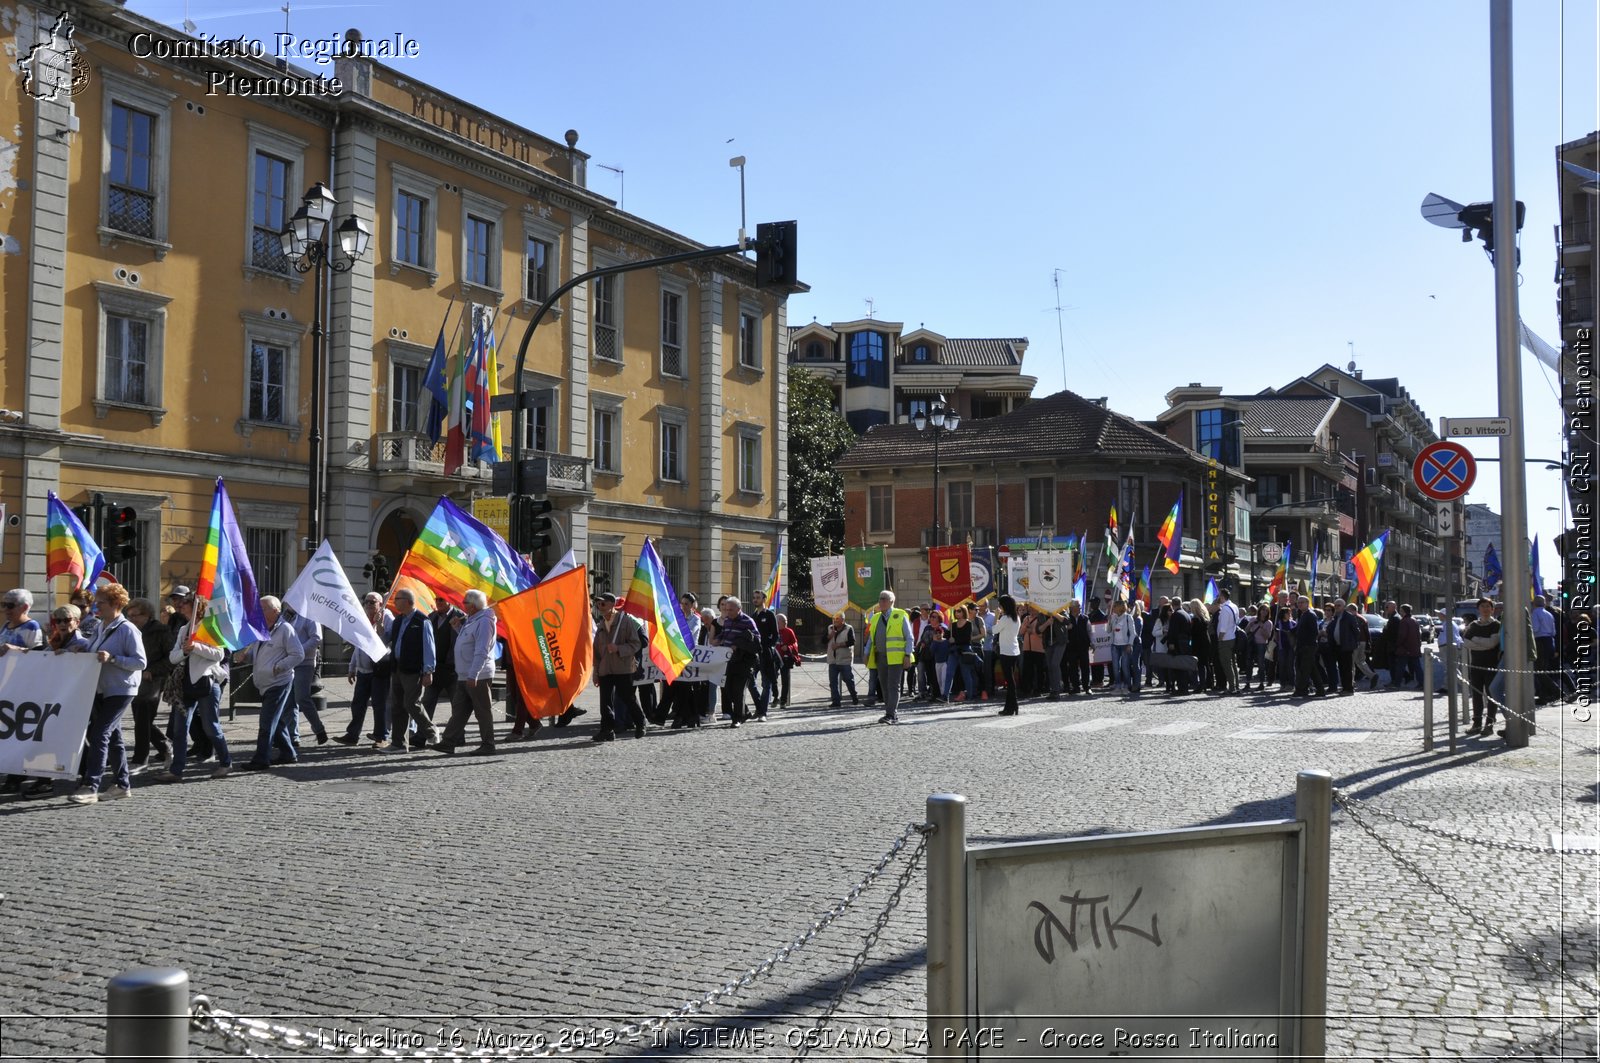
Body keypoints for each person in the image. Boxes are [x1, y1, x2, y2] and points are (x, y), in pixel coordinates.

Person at [66, 583, 147, 804]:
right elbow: (95, 650)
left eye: (100, 603)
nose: (96, 607)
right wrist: (81, 648)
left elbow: (140, 662)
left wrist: (112, 658)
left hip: (121, 689)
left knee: (99, 734)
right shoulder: (102, 626)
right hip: (102, 688)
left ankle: (91, 785)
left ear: (114, 604)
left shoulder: (127, 629)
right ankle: (122, 784)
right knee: (113, 738)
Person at [152, 590, 232, 783]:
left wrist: (196, 647)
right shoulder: (184, 629)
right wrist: (185, 651)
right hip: (184, 685)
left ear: (198, 606)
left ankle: (226, 762)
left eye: (187, 602)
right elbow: (173, 656)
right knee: (180, 729)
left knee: (210, 726)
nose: (182, 605)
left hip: (206, 683)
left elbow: (219, 655)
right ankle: (176, 770)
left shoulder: (209, 626)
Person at [238, 596, 303, 771]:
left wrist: (279, 667)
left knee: (266, 722)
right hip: (264, 683)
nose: (259, 611)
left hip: (279, 682)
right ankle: (288, 754)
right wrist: (246, 657)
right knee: (276, 721)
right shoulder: (262, 630)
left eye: (263, 608)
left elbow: (298, 654)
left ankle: (261, 759)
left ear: (276, 610)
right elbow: (260, 656)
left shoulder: (285, 629)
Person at [436, 589, 499, 756]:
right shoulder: (472, 620)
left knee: (482, 711)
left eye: (465, 602)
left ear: (473, 605)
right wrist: (458, 628)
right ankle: (448, 742)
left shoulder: (485, 621)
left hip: (477, 675)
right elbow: (467, 643)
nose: (462, 605)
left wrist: (474, 674)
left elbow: (481, 650)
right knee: (460, 710)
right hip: (465, 674)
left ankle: (488, 744)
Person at [382, 588, 439, 751]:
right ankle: (399, 743)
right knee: (397, 706)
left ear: (407, 601)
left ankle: (430, 730)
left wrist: (428, 671)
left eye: (397, 599)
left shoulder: (422, 621)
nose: (395, 602)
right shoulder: (398, 620)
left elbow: (429, 647)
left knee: (411, 703)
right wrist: (379, 625)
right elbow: (386, 639)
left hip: (413, 669)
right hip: (397, 667)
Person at [338, 592, 393, 745]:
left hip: (379, 669)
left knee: (379, 704)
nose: (368, 604)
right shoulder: (362, 618)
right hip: (363, 669)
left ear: (381, 603)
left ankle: (381, 736)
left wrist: (380, 625)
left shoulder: (387, 617)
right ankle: (352, 735)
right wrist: (352, 667)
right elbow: (358, 645)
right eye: (366, 601)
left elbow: (386, 641)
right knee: (358, 703)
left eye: (372, 602)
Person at [126, 597, 174, 768]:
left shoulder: (161, 630)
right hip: (135, 678)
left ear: (146, 615)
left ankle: (140, 758)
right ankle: (164, 745)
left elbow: (171, 657)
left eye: (135, 615)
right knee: (142, 718)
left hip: (154, 679)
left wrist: (152, 671)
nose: (131, 619)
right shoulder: (130, 630)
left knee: (143, 716)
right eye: (129, 615)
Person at [592, 592, 644, 741]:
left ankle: (640, 723)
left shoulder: (625, 621)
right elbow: (596, 650)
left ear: (612, 604)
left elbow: (636, 644)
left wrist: (619, 648)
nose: (599, 607)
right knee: (605, 702)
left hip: (623, 667)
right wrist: (596, 671)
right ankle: (607, 730)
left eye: (602, 603)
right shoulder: (601, 624)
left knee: (628, 698)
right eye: (598, 604)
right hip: (605, 668)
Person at [865, 590, 916, 724]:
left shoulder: (900, 615)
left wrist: (907, 655)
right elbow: (871, 638)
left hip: (896, 657)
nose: (881, 601)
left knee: (893, 686)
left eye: (884, 599)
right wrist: (866, 653)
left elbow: (909, 637)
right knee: (884, 686)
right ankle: (891, 712)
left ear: (891, 601)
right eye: (880, 599)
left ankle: (890, 714)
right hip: (880, 657)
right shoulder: (875, 617)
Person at [283, 606, 329, 748]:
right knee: (289, 701)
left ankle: (318, 729)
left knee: (301, 697)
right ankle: (293, 736)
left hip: (304, 662)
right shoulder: (285, 617)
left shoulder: (310, 615)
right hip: (287, 662)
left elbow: (316, 638)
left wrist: (297, 651)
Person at [714, 596, 762, 728]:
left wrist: (738, 645)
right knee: (728, 689)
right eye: (726, 609)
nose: (728, 612)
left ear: (739, 609)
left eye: (731, 610)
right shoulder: (728, 620)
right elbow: (724, 634)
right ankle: (745, 712)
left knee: (739, 689)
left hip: (745, 660)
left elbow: (757, 640)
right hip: (730, 660)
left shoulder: (748, 621)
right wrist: (717, 640)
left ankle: (737, 719)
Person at [1462, 597, 1504, 737]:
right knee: (1476, 695)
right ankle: (1477, 723)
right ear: (1478, 609)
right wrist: (1482, 643)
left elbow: (1492, 643)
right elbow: (1466, 642)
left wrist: (1476, 640)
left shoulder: (1496, 625)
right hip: (1476, 666)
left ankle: (1489, 724)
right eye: (1482, 606)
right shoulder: (1473, 625)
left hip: (1491, 665)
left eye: (1488, 606)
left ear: (1492, 609)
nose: (1485, 609)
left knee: (1492, 695)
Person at [749, 590, 781, 718]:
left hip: (766, 653)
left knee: (766, 683)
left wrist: (770, 647)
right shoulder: (753, 616)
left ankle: (763, 712)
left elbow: (776, 634)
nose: (755, 600)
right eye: (754, 597)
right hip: (754, 653)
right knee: (750, 681)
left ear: (764, 599)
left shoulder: (769, 615)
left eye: (758, 597)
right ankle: (759, 706)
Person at [990, 594, 1022, 716]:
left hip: (1006, 652)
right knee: (1011, 680)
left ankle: (1013, 706)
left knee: (1010, 681)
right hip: (1014, 650)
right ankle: (1011, 706)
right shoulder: (1016, 618)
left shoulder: (1005, 618)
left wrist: (996, 616)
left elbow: (994, 630)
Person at [1292, 596, 1326, 698]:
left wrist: (1307, 643)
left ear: (1307, 603)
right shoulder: (1303, 615)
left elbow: (1314, 632)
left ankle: (1301, 691)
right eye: (1298, 602)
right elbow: (1297, 628)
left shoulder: (1310, 615)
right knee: (1312, 669)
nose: (1300, 604)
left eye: (1302, 602)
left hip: (1308, 646)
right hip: (1302, 645)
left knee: (1304, 669)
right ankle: (1320, 690)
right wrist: (1288, 631)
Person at [1329, 599, 1363, 696]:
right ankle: (1345, 687)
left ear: (1343, 606)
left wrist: (1351, 642)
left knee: (1347, 669)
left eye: (1339, 605)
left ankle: (1349, 689)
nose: (1336, 607)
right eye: (1335, 605)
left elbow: (1356, 631)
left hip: (1347, 647)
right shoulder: (1336, 617)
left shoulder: (1349, 617)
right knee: (1342, 668)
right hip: (1338, 647)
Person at [948, 605, 982, 702]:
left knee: (967, 674)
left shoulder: (969, 623)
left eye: (959, 611)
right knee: (954, 674)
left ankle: (971, 695)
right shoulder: (954, 624)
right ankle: (950, 694)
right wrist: (949, 628)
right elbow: (949, 637)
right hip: (955, 651)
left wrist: (955, 640)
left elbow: (967, 639)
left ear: (964, 611)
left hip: (966, 651)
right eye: (956, 611)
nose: (957, 613)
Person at [1530, 595, 1561, 703]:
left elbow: (1535, 628)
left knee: (1539, 671)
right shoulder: (1549, 614)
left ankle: (1556, 690)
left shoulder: (1535, 613)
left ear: (1534, 603)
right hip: (1549, 641)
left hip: (1540, 642)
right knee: (1544, 669)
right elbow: (1554, 632)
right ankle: (1544, 696)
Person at [825, 613, 859, 708]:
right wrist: (830, 636)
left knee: (848, 679)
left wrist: (839, 645)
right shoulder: (830, 628)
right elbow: (823, 640)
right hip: (832, 659)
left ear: (843, 620)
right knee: (833, 682)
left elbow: (852, 641)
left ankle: (854, 696)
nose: (835, 621)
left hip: (845, 659)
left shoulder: (849, 628)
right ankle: (836, 701)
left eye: (837, 619)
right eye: (834, 619)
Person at [1108, 598, 1140, 695]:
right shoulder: (1113, 617)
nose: (1113, 608)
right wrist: (1109, 622)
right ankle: (1117, 686)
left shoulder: (1128, 617)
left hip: (1125, 645)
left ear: (1120, 608)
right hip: (1114, 645)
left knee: (1125, 667)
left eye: (1115, 607)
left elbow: (1133, 633)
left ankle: (1126, 686)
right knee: (1115, 667)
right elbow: (1108, 631)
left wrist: (1130, 644)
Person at [1164, 601, 1194, 696]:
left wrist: (1171, 643)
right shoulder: (1186, 614)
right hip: (1185, 643)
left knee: (1178, 666)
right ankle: (1184, 687)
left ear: (1173, 605)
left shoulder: (1175, 615)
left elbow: (1173, 630)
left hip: (1178, 643)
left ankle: (1181, 688)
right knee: (1183, 666)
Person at [1213, 588, 1240, 694]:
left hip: (1225, 639)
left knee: (1226, 664)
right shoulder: (1234, 606)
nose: (1217, 598)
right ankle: (1236, 686)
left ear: (1222, 597)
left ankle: (1232, 687)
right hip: (1232, 637)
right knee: (1233, 663)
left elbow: (1223, 628)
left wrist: (1219, 640)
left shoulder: (1224, 609)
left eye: (1218, 596)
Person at [1063, 599, 1091, 695]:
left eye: (1079, 606)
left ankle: (1087, 687)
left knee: (1085, 667)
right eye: (1077, 606)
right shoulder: (1066, 619)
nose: (1079, 607)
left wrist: (1092, 643)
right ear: (1072, 608)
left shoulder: (1085, 618)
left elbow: (1089, 631)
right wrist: (1067, 628)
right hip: (1071, 646)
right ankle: (1076, 687)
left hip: (1083, 646)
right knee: (1072, 667)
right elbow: (1062, 631)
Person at [1245, 604, 1274, 692]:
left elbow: (1267, 637)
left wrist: (1262, 627)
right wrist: (1250, 625)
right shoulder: (1253, 619)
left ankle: (1261, 683)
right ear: (1259, 611)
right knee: (1249, 663)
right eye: (1263, 610)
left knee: (1261, 664)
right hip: (1252, 644)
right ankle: (1248, 682)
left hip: (1261, 645)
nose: (1264, 612)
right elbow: (1246, 631)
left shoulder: (1269, 623)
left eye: (1266, 610)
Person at [1394, 604, 1423, 690]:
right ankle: (1422, 682)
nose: (1400, 612)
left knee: (1400, 666)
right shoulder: (1414, 620)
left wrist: (1398, 644)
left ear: (1404, 611)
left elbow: (1402, 635)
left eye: (1401, 610)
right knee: (1417, 667)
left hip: (1405, 648)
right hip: (1414, 648)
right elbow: (1418, 635)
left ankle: (1397, 683)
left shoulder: (1404, 621)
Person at [776, 613, 800, 708]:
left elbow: (795, 644)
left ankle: (783, 701)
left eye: (786, 621)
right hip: (774, 658)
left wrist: (789, 647)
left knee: (785, 680)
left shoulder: (789, 631)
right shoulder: (773, 630)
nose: (786, 623)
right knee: (771, 679)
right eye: (783, 621)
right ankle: (774, 697)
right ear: (778, 622)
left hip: (785, 659)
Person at [1188, 600, 1212, 693]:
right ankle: (1206, 683)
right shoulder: (1204, 618)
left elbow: (1193, 633)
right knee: (1205, 664)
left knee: (1200, 665)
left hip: (1198, 643)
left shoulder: (1195, 619)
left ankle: (1201, 685)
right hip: (1205, 641)